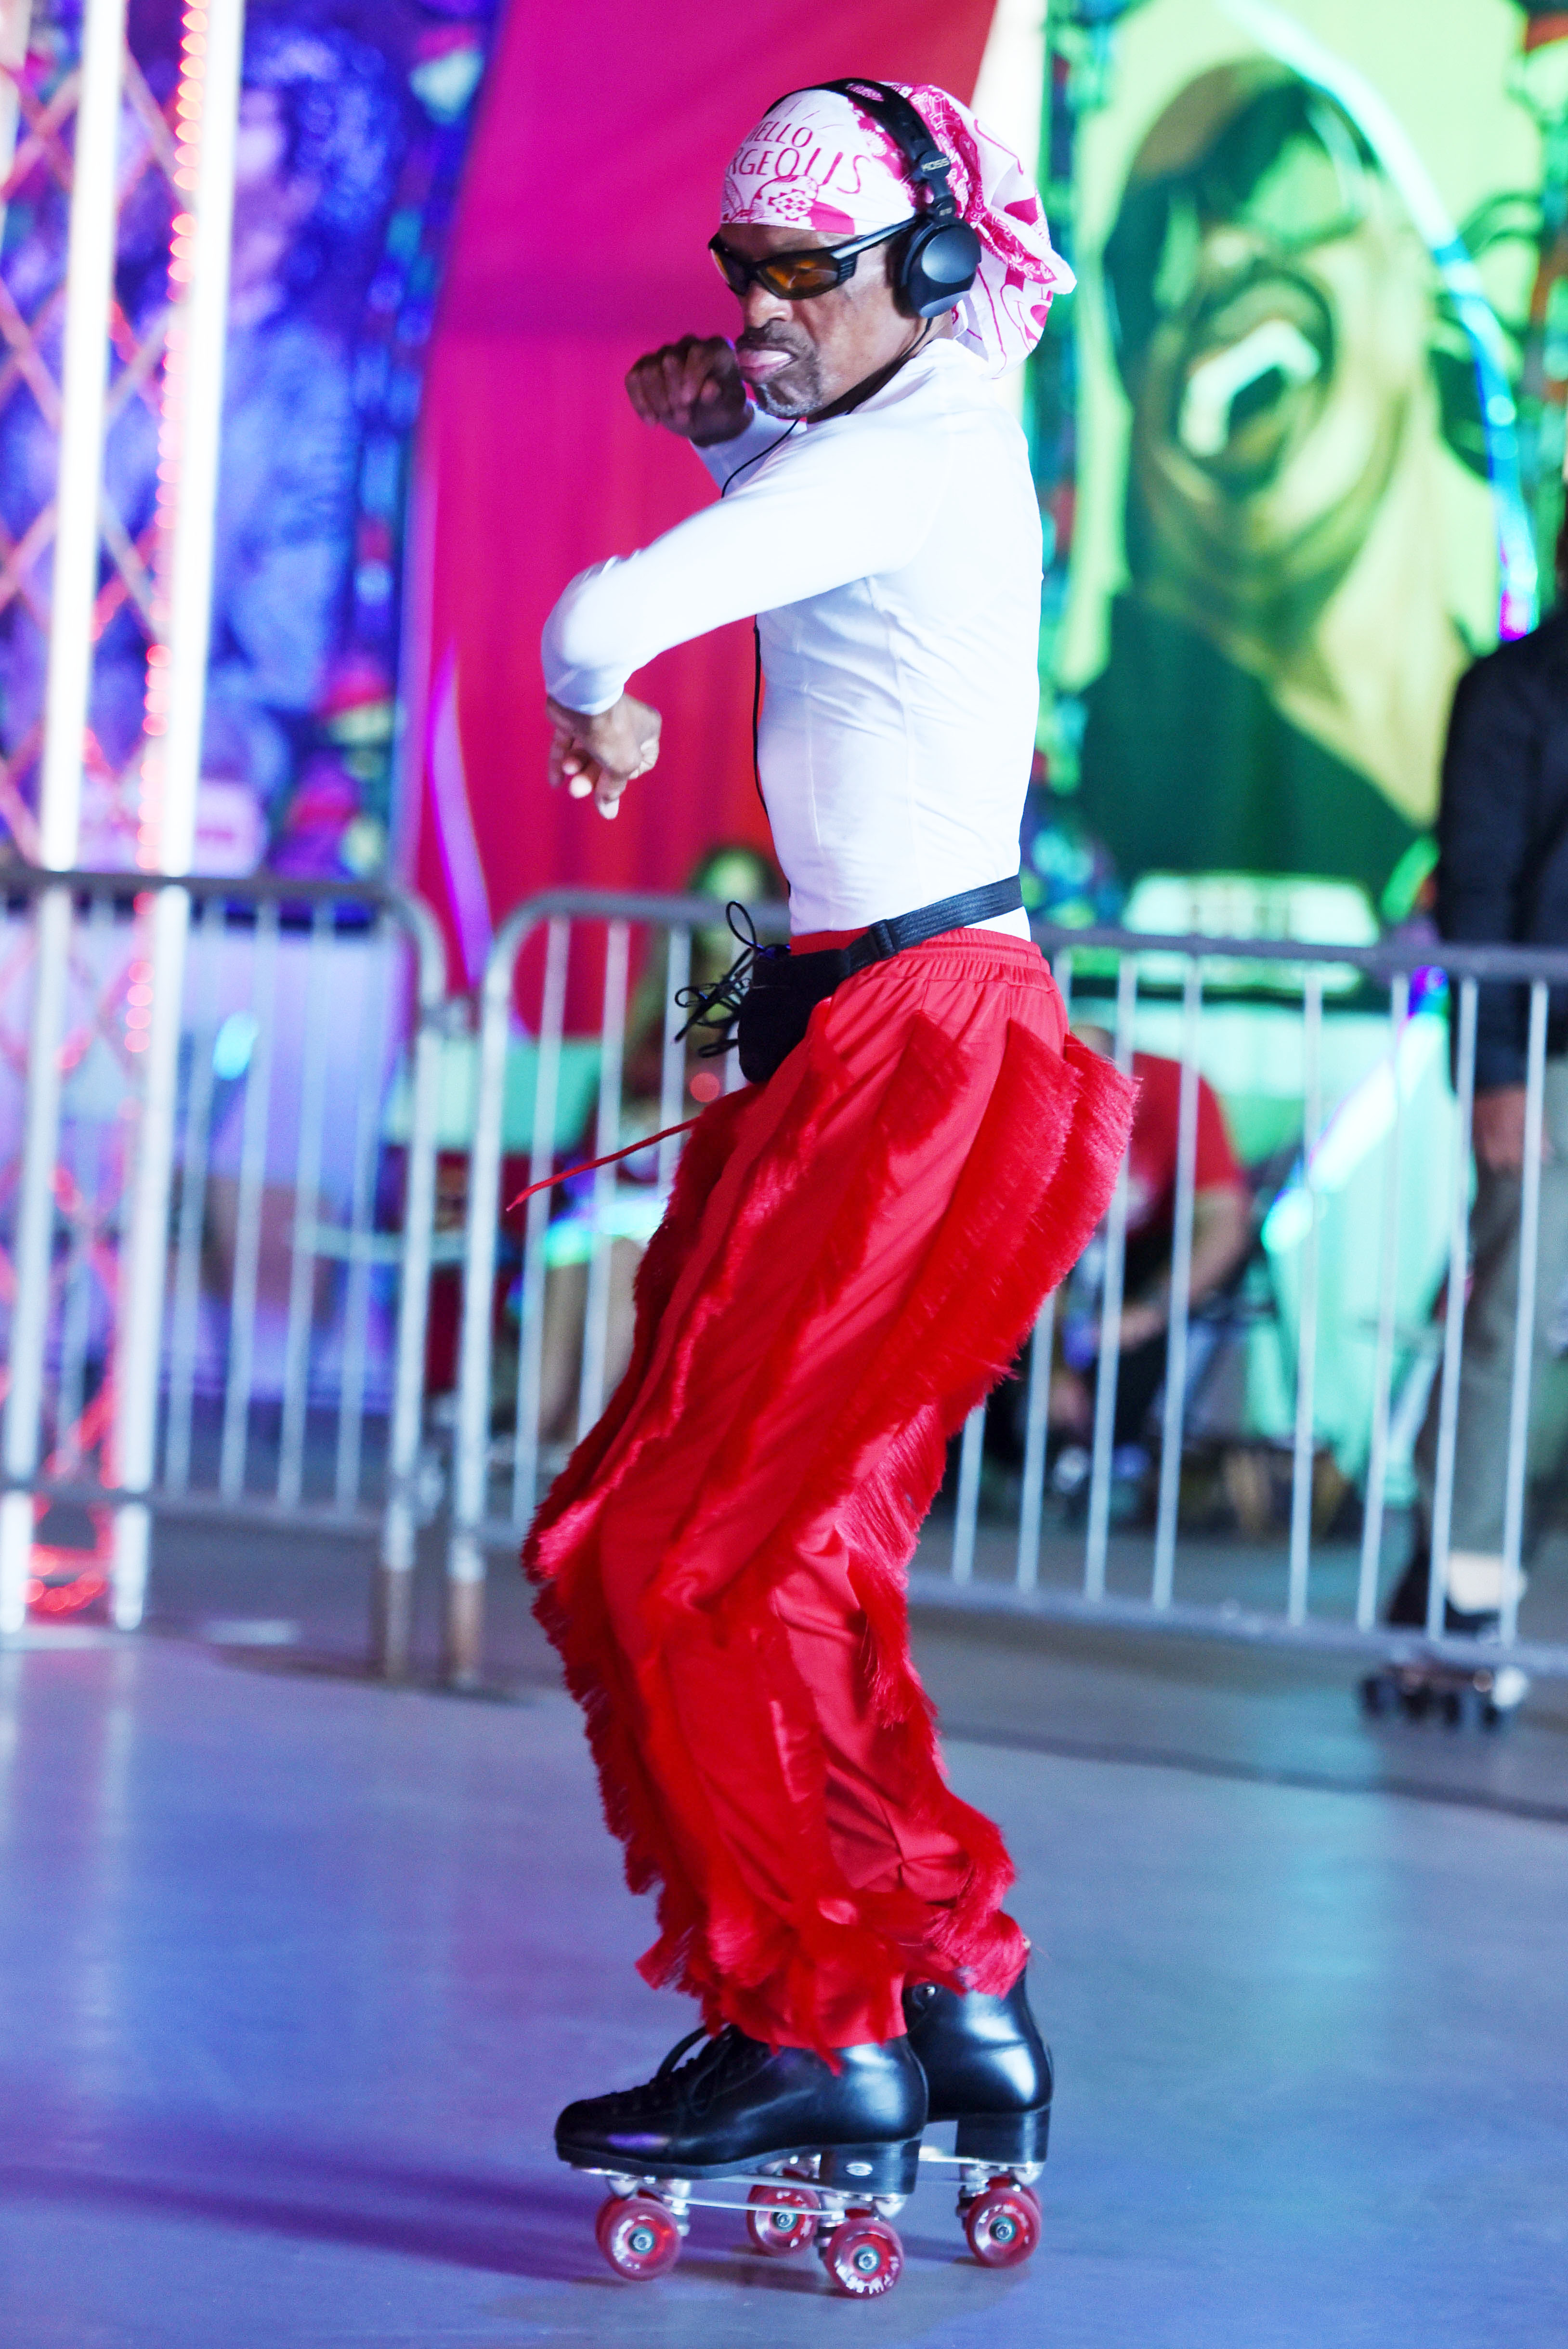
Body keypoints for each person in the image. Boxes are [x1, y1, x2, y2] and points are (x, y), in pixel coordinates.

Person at [525, 80, 1133, 2207]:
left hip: (914, 1053)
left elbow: (601, 621)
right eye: (745, 271)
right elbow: (839, 603)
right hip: (860, 1032)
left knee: (690, 1554)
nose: (767, 308)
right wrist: (734, 432)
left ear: (936, 269)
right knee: (760, 1549)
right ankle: (947, 1987)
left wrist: (599, 698)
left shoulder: (921, 441)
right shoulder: (889, 445)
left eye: (809, 272)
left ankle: (810, 2023)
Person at [1386, 548, 1568, 1647]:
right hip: (1544, 1048)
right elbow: (1481, 885)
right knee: (1510, 1310)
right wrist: (1495, 1069)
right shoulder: (1514, 689)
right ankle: (1459, 1587)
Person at [1051, 1028, 1251, 1483]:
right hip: (1066, 1251)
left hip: (1155, 1251)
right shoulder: (1034, 1093)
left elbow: (1224, 1225)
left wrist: (1147, 1313)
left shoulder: (1175, 1089)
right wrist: (1053, 1362)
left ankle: (1113, 1446)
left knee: (1119, 1385)